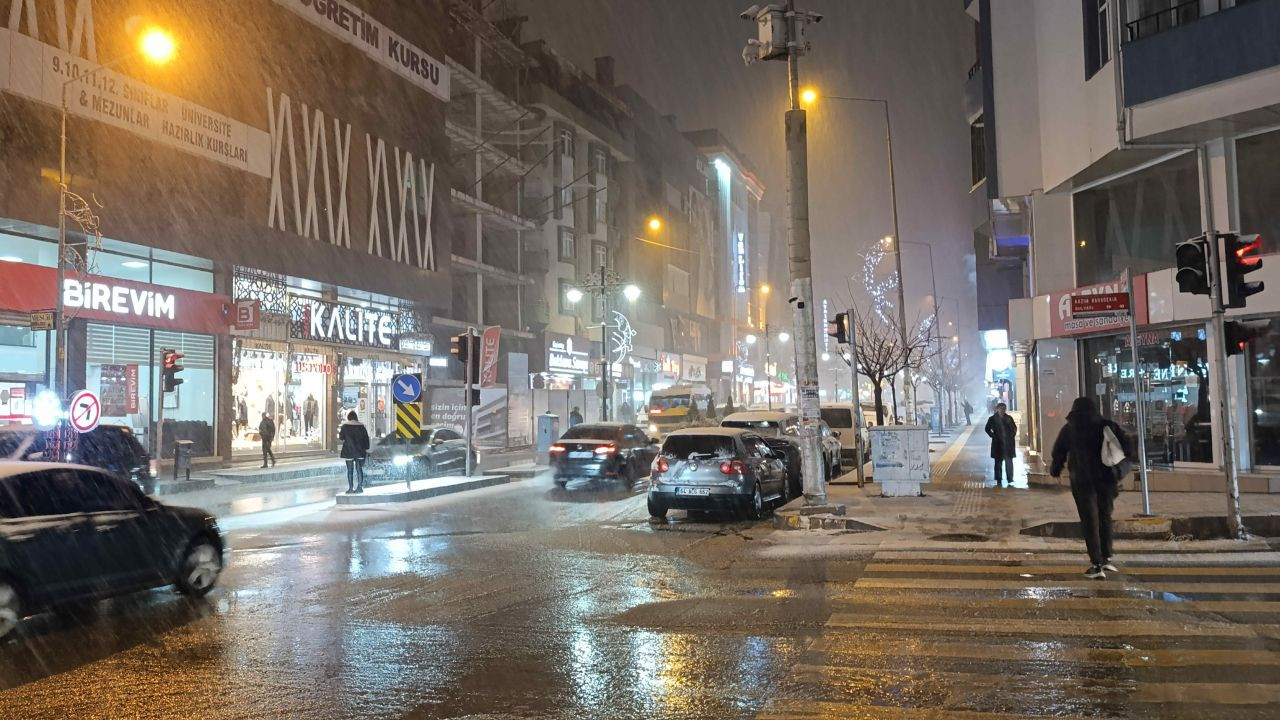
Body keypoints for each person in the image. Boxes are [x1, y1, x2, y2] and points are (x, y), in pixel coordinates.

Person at [1050, 397, 1131, 579]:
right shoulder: (1106, 426)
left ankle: (1096, 564)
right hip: (1106, 481)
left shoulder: (1070, 429)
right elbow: (1126, 446)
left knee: (1090, 521)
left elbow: (1059, 452)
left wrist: (1056, 469)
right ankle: (1107, 557)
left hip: (1082, 481)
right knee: (1105, 517)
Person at [338, 410, 371, 494]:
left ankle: (350, 488)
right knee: (359, 469)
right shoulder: (361, 426)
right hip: (360, 451)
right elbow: (366, 439)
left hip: (348, 451)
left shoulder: (345, 426)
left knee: (350, 470)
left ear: (348, 417)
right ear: (356, 417)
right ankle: (359, 487)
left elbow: (341, 437)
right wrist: (366, 448)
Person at [984, 402, 1017, 485]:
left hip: (1008, 444)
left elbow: (1014, 428)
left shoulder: (1009, 418)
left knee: (1009, 461)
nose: (1002, 410)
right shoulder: (992, 419)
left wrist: (1011, 436)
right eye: (1001, 409)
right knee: (998, 462)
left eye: (1004, 409)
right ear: (997, 409)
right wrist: (993, 436)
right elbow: (987, 428)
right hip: (998, 443)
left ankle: (1010, 478)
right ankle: (999, 478)